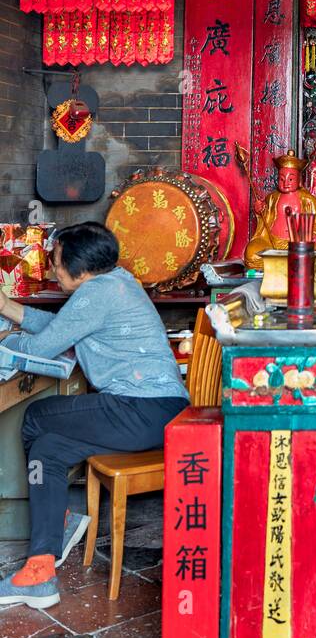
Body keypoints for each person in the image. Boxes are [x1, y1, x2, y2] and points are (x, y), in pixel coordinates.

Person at [0, 223, 188, 610]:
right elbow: (61, 327)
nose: (53, 270)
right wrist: (5, 308)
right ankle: (42, 561)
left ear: (80, 268)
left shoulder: (96, 295)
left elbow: (42, 346)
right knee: (49, 448)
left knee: (37, 416)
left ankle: (53, 527)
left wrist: (7, 340)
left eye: (55, 262)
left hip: (140, 410)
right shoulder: (113, 282)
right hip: (156, 410)